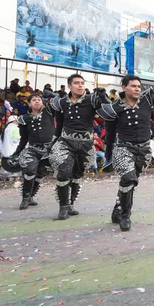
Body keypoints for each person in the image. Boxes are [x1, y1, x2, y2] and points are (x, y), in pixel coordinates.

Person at [98, 71, 154, 231]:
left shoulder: (148, 99)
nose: (137, 89)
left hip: (143, 150)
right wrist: (109, 152)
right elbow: (109, 134)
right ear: (124, 87)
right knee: (129, 178)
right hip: (124, 148)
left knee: (129, 183)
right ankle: (125, 215)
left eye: (139, 86)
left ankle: (117, 209)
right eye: (133, 86)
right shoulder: (114, 108)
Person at [49, 74, 109, 220]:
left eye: (82, 83)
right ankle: (62, 207)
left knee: (77, 175)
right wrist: (53, 142)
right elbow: (59, 126)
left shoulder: (92, 99)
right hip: (65, 142)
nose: (80, 85)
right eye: (76, 83)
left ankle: (70, 204)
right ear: (69, 86)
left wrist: (104, 97)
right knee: (63, 171)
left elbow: (109, 112)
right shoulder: (61, 103)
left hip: (86, 144)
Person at [10, 95, 56, 209]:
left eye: (39, 100)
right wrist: (17, 152)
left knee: (41, 173)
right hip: (33, 149)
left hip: (48, 149)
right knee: (30, 170)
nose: (37, 102)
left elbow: (57, 103)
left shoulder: (49, 111)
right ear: (29, 104)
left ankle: (31, 197)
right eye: (34, 100)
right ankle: (25, 199)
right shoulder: (24, 118)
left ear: (42, 102)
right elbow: (24, 138)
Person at [0, 116, 22, 192]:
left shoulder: (5, 130)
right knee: (6, 170)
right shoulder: (15, 129)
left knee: (16, 166)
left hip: (6, 152)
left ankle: (16, 181)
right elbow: (16, 139)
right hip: (13, 151)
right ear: (14, 121)